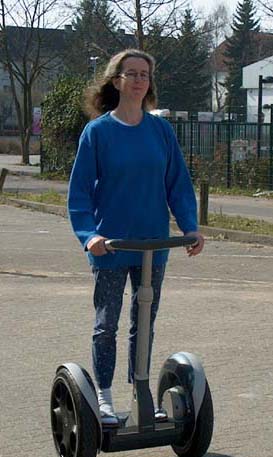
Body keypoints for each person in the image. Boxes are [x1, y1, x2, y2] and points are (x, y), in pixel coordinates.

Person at [68, 49, 204, 425]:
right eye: (132, 73)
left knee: (144, 322)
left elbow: (178, 185)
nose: (140, 80)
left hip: (154, 246)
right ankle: (105, 396)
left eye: (145, 74)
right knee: (106, 325)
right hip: (111, 245)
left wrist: (189, 226)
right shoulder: (98, 132)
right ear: (116, 80)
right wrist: (88, 235)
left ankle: (141, 393)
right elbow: (79, 193)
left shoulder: (160, 130)